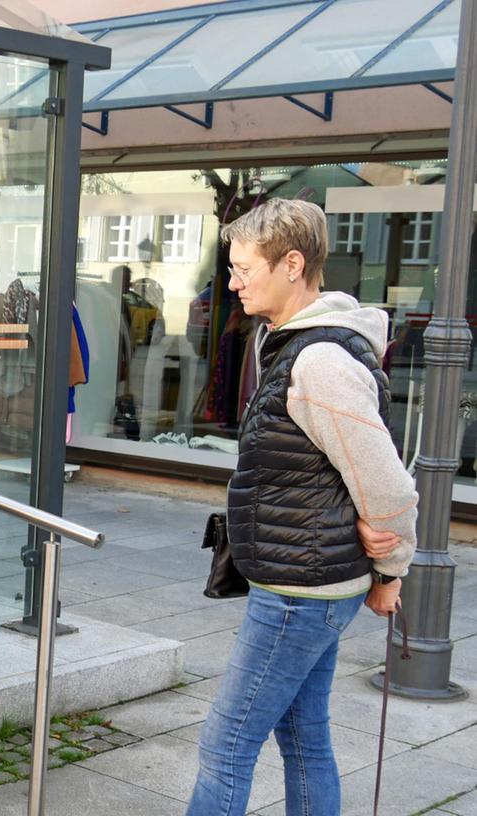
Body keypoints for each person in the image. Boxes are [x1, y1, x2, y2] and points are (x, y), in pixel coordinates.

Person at [187, 198, 417, 816]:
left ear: (292, 264)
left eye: (242, 269)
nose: (231, 282)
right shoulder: (290, 344)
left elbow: (388, 487)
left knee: (226, 744)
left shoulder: (318, 360)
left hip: (301, 591)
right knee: (302, 732)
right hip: (306, 579)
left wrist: (393, 571)